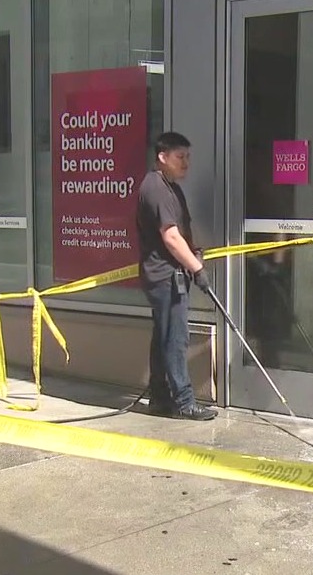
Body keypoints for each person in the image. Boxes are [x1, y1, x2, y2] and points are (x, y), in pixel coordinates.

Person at [136, 131, 217, 421]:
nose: (186, 163)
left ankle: (159, 398)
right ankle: (184, 403)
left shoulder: (171, 188)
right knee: (176, 340)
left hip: (170, 274)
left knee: (163, 339)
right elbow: (170, 237)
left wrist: (194, 253)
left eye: (188, 157)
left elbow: (180, 234)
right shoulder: (156, 188)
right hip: (165, 277)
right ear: (163, 157)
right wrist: (197, 270)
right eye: (180, 157)